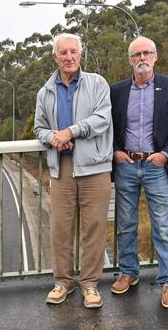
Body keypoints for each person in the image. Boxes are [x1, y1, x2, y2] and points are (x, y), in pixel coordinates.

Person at [33, 33, 113, 309]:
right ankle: (63, 282)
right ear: (55, 56)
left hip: (94, 167)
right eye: (63, 52)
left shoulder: (98, 84)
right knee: (61, 229)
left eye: (73, 52)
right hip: (62, 167)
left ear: (80, 55)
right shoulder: (45, 92)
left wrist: (71, 131)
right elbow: (39, 128)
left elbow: (102, 118)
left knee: (94, 228)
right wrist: (52, 137)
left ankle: (90, 284)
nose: (68, 57)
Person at [109, 36, 168, 309]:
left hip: (157, 166)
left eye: (147, 53)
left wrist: (165, 154)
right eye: (137, 54)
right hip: (126, 165)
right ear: (130, 60)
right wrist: (116, 151)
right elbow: (110, 127)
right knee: (126, 224)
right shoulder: (116, 91)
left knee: (163, 226)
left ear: (155, 57)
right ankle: (129, 272)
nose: (142, 58)